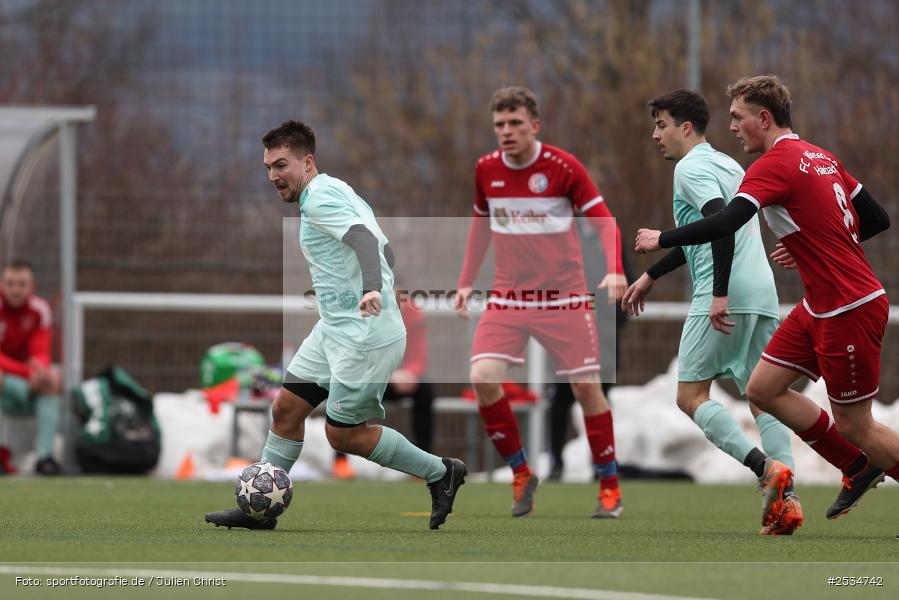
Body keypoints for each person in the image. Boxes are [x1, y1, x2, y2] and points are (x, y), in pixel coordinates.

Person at [635, 75, 894, 529]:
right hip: (818, 305)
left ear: (763, 118)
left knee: (857, 426)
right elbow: (875, 218)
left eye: (737, 117)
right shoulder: (819, 156)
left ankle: (860, 458)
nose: (731, 127)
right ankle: (855, 467)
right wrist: (811, 242)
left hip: (848, 305)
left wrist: (662, 239)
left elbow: (725, 223)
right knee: (762, 390)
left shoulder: (774, 163)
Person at [206, 120, 466, 530]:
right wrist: (370, 282)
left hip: (364, 336)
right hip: (335, 329)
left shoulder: (320, 199)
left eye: (281, 165)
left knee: (343, 435)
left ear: (307, 162)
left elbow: (363, 239)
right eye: (268, 167)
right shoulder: (336, 188)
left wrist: (370, 288)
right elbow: (385, 249)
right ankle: (259, 509)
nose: (274, 176)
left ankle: (440, 472)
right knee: (286, 408)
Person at [622, 89, 800, 534]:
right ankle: (787, 500)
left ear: (686, 127)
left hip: (725, 293)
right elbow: (707, 232)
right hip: (761, 292)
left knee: (690, 396)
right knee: (764, 396)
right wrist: (652, 275)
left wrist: (717, 293)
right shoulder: (727, 163)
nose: (654, 134)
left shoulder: (689, 168)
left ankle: (766, 470)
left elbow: (719, 224)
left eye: (661, 124)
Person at [455, 87, 627, 518]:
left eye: (515, 123)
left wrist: (615, 268)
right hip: (509, 297)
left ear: (535, 125)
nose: (506, 132)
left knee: (586, 388)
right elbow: (480, 228)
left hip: (564, 298)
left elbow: (604, 222)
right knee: (482, 377)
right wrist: (464, 282)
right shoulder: (486, 169)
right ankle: (521, 472)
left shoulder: (563, 167)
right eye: (499, 125)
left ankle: (609, 486)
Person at [547, 227, 634, 482]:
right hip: (568, 335)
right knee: (561, 397)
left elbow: (626, 281)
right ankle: (555, 461)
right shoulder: (562, 236)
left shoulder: (612, 236)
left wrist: (615, 319)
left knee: (600, 397)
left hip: (605, 336)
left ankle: (602, 463)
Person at [332, 289, 435, 479]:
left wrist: (410, 373)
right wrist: (387, 373)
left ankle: (423, 464)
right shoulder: (362, 309)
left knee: (425, 392)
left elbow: (419, 355)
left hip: (401, 380)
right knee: (347, 392)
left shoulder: (413, 314)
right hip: (372, 377)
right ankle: (340, 462)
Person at [0, 259, 62, 475]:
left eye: (22, 284)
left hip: (25, 383)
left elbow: (41, 351)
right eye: (10, 283)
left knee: (53, 381)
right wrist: (28, 372)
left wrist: (40, 370)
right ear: (1, 284)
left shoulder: (40, 310)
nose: (16, 290)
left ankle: (44, 458)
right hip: (7, 380)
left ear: (31, 286)